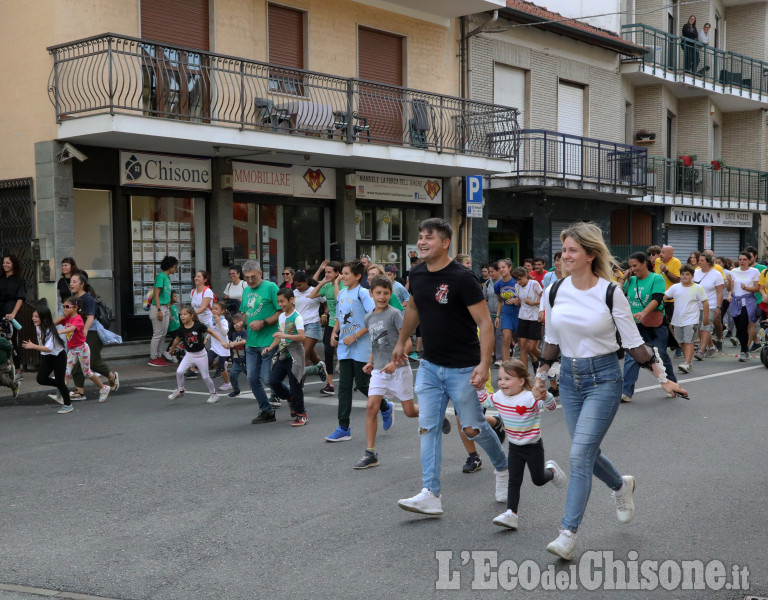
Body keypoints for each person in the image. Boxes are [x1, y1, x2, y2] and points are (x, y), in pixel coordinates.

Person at [536, 222, 687, 560]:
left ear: (590, 255)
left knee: (578, 456)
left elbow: (634, 343)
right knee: (586, 452)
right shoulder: (554, 290)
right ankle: (621, 485)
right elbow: (551, 341)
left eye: (573, 250)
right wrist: (541, 375)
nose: (564, 256)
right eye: (563, 250)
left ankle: (567, 533)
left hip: (603, 379)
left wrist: (663, 377)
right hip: (571, 381)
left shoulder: (610, 292)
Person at [394, 218, 508, 516]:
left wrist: (485, 364)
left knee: (473, 428)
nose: (421, 241)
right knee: (427, 427)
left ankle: (503, 468)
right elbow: (414, 309)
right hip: (430, 367)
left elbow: (484, 323)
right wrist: (401, 342)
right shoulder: (416, 274)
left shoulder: (462, 278)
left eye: (428, 237)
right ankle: (430, 493)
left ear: (445, 243)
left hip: (463, 368)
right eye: (419, 236)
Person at [484, 359, 566, 530]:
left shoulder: (530, 398)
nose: (502, 383)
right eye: (500, 379)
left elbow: (550, 407)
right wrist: (477, 388)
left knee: (538, 479)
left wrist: (546, 395)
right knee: (514, 481)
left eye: (507, 379)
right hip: (514, 447)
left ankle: (551, 471)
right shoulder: (498, 396)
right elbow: (485, 402)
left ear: (521, 381)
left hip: (533, 446)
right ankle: (511, 514)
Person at [326, 260, 383, 442]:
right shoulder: (342, 293)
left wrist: (356, 335)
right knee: (343, 387)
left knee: (363, 384)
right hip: (345, 346)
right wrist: (335, 332)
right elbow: (340, 316)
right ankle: (343, 427)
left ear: (358, 276)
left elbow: (373, 317)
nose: (342, 276)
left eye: (346, 273)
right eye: (341, 273)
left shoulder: (363, 293)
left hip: (361, 346)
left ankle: (385, 406)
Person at [618, 252, 677, 403]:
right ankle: (626, 392)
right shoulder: (631, 280)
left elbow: (658, 299)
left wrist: (644, 312)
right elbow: (617, 294)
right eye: (630, 266)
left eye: (635, 265)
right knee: (632, 357)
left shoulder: (656, 278)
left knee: (660, 356)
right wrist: (624, 277)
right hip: (636, 325)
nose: (633, 269)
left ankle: (672, 384)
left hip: (655, 323)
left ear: (644, 263)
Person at [239, 260, 281, 424]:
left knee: (268, 379)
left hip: (268, 341)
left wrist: (263, 322)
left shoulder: (271, 287)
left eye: (253, 277)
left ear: (260, 273)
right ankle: (266, 410)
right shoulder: (246, 290)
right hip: (251, 342)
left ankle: (291, 395)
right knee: (252, 378)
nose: (250, 281)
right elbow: (244, 313)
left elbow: (281, 311)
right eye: (247, 278)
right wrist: (240, 322)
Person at [264, 288, 311, 427]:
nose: (280, 304)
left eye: (282, 301)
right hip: (283, 353)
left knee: (295, 384)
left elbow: (302, 336)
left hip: (295, 354)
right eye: (278, 302)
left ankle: (302, 414)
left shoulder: (297, 317)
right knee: (273, 381)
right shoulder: (281, 316)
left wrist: (285, 336)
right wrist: (270, 347)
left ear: (291, 300)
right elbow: (279, 336)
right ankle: (290, 397)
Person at [69, 272, 118, 398]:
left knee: (93, 362)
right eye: (71, 281)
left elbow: (91, 317)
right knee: (76, 361)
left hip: (92, 333)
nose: (71, 284)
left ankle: (112, 377)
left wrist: (84, 331)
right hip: (78, 333)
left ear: (82, 284)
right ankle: (79, 392)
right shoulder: (73, 299)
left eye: (74, 282)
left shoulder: (88, 298)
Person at [167, 306, 229, 405]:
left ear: (191, 316)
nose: (182, 316)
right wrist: (172, 349)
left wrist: (222, 342)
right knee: (179, 372)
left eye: (185, 314)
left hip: (201, 356)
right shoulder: (181, 328)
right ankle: (181, 390)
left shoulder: (199, 325)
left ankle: (214, 394)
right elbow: (177, 339)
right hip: (189, 355)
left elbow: (211, 332)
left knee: (205, 377)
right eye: (181, 314)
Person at [55, 296, 110, 403]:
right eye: (63, 306)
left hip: (82, 349)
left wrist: (62, 331)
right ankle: (62, 395)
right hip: (72, 350)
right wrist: (63, 316)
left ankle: (103, 388)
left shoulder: (78, 319)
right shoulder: (67, 317)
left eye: (67, 307)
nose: (65, 309)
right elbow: (54, 322)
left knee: (87, 372)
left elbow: (73, 328)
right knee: (65, 372)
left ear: (75, 307)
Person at [664, 264, 709, 373]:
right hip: (677, 320)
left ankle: (687, 363)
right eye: (683, 274)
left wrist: (706, 318)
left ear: (692, 276)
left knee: (689, 341)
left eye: (687, 274)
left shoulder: (698, 288)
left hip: (691, 319)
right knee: (681, 342)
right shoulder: (675, 287)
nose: (684, 277)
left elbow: (705, 302)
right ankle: (687, 362)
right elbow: (664, 298)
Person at [22, 306, 69, 412]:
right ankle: (61, 384)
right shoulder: (38, 327)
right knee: (41, 379)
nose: (33, 318)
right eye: (33, 316)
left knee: (60, 382)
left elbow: (48, 348)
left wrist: (33, 346)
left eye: (36, 317)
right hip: (49, 357)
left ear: (44, 319)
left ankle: (68, 404)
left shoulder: (50, 331)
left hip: (59, 356)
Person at [310, 260, 342, 395]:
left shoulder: (343, 284)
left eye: (329, 272)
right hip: (331, 323)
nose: (327, 274)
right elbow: (312, 294)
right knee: (328, 352)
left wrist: (336, 282)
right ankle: (330, 384)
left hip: (343, 322)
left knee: (349, 353)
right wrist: (323, 281)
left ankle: (360, 380)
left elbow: (338, 298)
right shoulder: (327, 285)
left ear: (337, 273)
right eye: (326, 272)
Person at [727, 251, 761, 361]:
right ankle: (745, 349)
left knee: (743, 325)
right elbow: (730, 288)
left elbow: (757, 288)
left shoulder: (754, 271)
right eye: (740, 259)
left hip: (748, 301)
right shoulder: (733, 271)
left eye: (744, 259)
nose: (742, 262)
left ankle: (743, 350)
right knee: (739, 327)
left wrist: (746, 288)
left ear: (749, 260)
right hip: (736, 301)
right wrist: (729, 286)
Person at [291, 270, 326, 372]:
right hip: (299, 326)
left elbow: (325, 303)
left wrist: (324, 314)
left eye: (300, 285)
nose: (298, 288)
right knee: (311, 356)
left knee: (303, 355)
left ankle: (299, 386)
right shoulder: (294, 293)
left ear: (306, 281)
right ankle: (320, 368)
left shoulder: (314, 291)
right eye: (296, 285)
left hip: (312, 324)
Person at [148, 255, 179, 367]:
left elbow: (166, 296)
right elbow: (156, 294)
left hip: (166, 308)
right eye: (175, 266)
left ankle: (159, 356)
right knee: (157, 334)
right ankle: (153, 358)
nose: (176, 268)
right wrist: (159, 310)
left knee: (163, 334)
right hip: (159, 308)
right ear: (170, 266)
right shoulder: (160, 277)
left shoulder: (167, 277)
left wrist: (168, 311)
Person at [693, 254, 724, 358]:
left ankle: (701, 351)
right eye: (699, 260)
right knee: (699, 328)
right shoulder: (695, 272)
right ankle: (711, 347)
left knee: (705, 327)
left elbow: (720, 292)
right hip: (697, 305)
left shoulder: (716, 274)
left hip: (710, 304)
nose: (699, 262)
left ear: (708, 262)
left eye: (702, 260)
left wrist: (718, 307)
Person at [513, 267, 543, 372]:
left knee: (532, 348)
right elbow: (519, 300)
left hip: (534, 318)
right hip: (522, 317)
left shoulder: (534, 284)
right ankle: (524, 374)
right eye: (516, 279)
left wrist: (533, 303)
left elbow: (543, 298)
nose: (518, 281)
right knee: (522, 347)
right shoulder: (517, 286)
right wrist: (517, 301)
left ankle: (547, 361)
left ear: (526, 276)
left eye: (520, 279)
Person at [0, 254, 26, 376]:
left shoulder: (19, 280)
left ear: (13, 264)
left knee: (12, 341)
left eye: (8, 263)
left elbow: (20, 298)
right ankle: (4, 368)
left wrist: (13, 314)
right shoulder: (1, 278)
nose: (5, 265)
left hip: (11, 312)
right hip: (0, 311)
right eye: (4, 263)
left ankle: (18, 369)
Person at [654, 244, 682, 357]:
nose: (660, 254)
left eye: (663, 252)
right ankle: (663, 345)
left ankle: (678, 346)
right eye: (661, 252)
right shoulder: (657, 261)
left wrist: (666, 271)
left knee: (672, 324)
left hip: (671, 298)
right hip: (659, 296)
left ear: (671, 254)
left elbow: (677, 280)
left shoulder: (676, 262)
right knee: (660, 323)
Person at [494, 259, 519, 362]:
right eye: (499, 268)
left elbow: (525, 297)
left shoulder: (516, 281)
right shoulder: (498, 284)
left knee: (522, 342)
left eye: (503, 267)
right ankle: (505, 365)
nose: (501, 270)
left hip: (518, 312)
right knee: (506, 338)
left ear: (510, 268)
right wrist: (497, 316)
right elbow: (500, 301)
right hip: (506, 313)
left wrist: (516, 299)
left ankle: (534, 361)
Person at [208, 301, 232, 390]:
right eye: (213, 308)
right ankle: (219, 363)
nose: (214, 310)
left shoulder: (224, 321)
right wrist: (206, 338)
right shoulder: (211, 319)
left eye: (216, 309)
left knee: (221, 368)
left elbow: (224, 332)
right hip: (214, 346)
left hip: (223, 346)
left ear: (222, 311)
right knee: (208, 361)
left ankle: (227, 383)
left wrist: (219, 323)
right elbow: (211, 331)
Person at [483, 261, 503, 365]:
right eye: (489, 271)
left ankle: (499, 357)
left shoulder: (502, 282)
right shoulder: (487, 283)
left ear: (498, 271)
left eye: (492, 271)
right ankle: (491, 355)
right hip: (490, 313)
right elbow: (484, 299)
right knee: (490, 335)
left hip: (501, 313)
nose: (490, 274)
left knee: (499, 335)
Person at [225, 313, 248, 398]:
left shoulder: (245, 332)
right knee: (233, 375)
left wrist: (235, 343)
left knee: (252, 377)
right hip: (238, 359)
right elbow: (233, 345)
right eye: (234, 323)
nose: (236, 325)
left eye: (238, 322)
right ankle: (236, 390)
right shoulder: (234, 334)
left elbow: (245, 341)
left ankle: (256, 389)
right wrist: (229, 345)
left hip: (247, 359)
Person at [0, 331, 18, 398]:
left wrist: (8, 358)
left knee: (1, 378)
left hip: (2, 363)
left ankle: (13, 385)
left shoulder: (1, 340)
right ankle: (13, 383)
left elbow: (10, 347)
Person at [165, 290, 181, 362]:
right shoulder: (170, 307)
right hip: (172, 327)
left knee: (177, 340)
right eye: (174, 296)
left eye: (176, 296)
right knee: (175, 339)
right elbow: (169, 315)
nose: (176, 297)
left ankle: (172, 353)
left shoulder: (174, 306)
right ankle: (168, 351)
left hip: (177, 326)